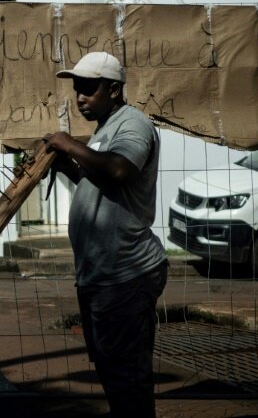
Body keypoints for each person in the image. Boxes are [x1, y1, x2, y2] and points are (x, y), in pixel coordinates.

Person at [42, 52, 168, 418]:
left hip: (126, 272)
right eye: (77, 88)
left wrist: (68, 144)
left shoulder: (133, 125)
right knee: (110, 366)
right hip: (101, 273)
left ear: (114, 89)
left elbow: (118, 171)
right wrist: (71, 167)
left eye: (88, 88)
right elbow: (103, 182)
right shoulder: (105, 129)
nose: (80, 96)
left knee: (127, 372)